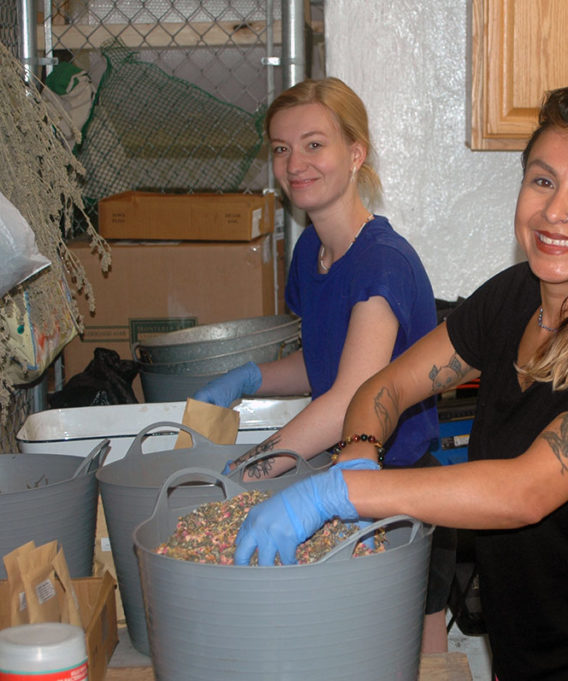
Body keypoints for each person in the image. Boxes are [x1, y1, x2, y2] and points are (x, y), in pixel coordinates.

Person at [231, 84, 568, 680]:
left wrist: (339, 495)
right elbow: (388, 386)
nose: (554, 211)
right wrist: (357, 458)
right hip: (524, 657)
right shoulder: (514, 300)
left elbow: (522, 494)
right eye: (542, 180)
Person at [191, 77, 453, 654]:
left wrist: (246, 474)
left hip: (397, 494)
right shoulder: (312, 250)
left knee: (412, 655)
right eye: (281, 149)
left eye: (314, 144)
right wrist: (252, 377)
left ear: (355, 153)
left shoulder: (382, 264)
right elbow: (325, 368)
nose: (294, 164)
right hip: (336, 477)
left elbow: (346, 403)